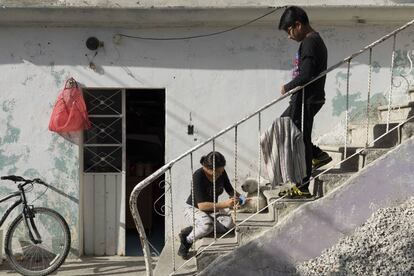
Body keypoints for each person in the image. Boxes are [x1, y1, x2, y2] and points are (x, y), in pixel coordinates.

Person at [278, 6, 332, 196]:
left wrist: (288, 86)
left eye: (289, 30)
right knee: (283, 127)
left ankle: (302, 187)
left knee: (300, 140)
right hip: (305, 99)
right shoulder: (313, 41)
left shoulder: (311, 42)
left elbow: (308, 74)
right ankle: (317, 155)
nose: (289, 36)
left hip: (307, 99)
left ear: (298, 25)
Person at [177, 151, 239, 259]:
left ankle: (193, 229)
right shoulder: (198, 175)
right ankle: (186, 241)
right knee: (207, 225)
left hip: (211, 211)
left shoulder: (221, 172)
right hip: (194, 208)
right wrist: (225, 204)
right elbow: (202, 206)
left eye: (221, 171)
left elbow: (230, 190)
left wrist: (240, 199)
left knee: (230, 224)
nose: (219, 175)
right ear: (206, 168)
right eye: (216, 172)